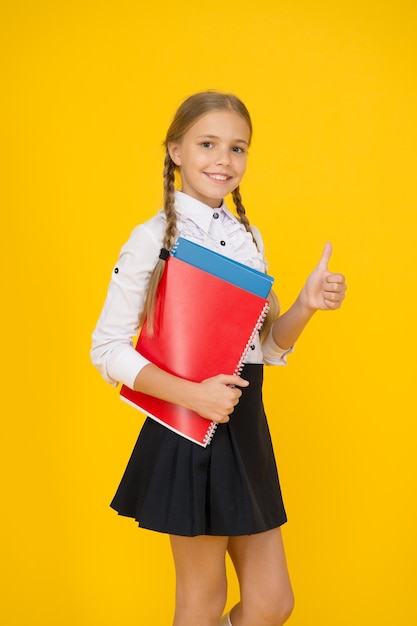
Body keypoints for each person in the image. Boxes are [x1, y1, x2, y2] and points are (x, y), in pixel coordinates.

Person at [91, 90, 347, 626]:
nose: (224, 160)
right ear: (175, 151)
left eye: (238, 148)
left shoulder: (248, 237)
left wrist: (306, 304)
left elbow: (268, 349)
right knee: (202, 602)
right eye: (208, 144)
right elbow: (107, 349)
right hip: (187, 426)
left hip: (244, 423)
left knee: (272, 603)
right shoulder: (153, 237)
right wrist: (195, 396)